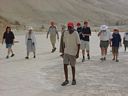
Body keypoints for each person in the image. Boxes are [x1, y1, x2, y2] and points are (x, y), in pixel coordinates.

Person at [61, 22, 80, 86]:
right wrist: (63, 52)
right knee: (65, 65)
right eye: (68, 27)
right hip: (66, 52)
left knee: (72, 66)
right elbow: (63, 42)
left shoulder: (76, 33)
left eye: (70, 27)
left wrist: (77, 53)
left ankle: (74, 79)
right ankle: (66, 80)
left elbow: (78, 44)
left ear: (73, 27)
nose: (69, 28)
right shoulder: (65, 33)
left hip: (73, 52)